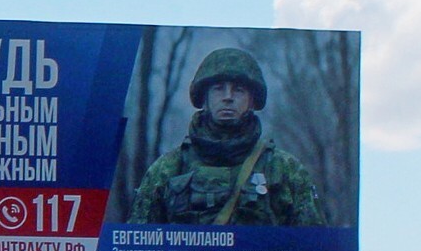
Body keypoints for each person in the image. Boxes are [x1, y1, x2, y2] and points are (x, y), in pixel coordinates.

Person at [127, 47, 329, 226]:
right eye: (218, 89)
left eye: (238, 90)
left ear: (252, 101)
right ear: (204, 99)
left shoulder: (284, 170)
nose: (228, 97)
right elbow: (135, 248)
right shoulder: (167, 170)